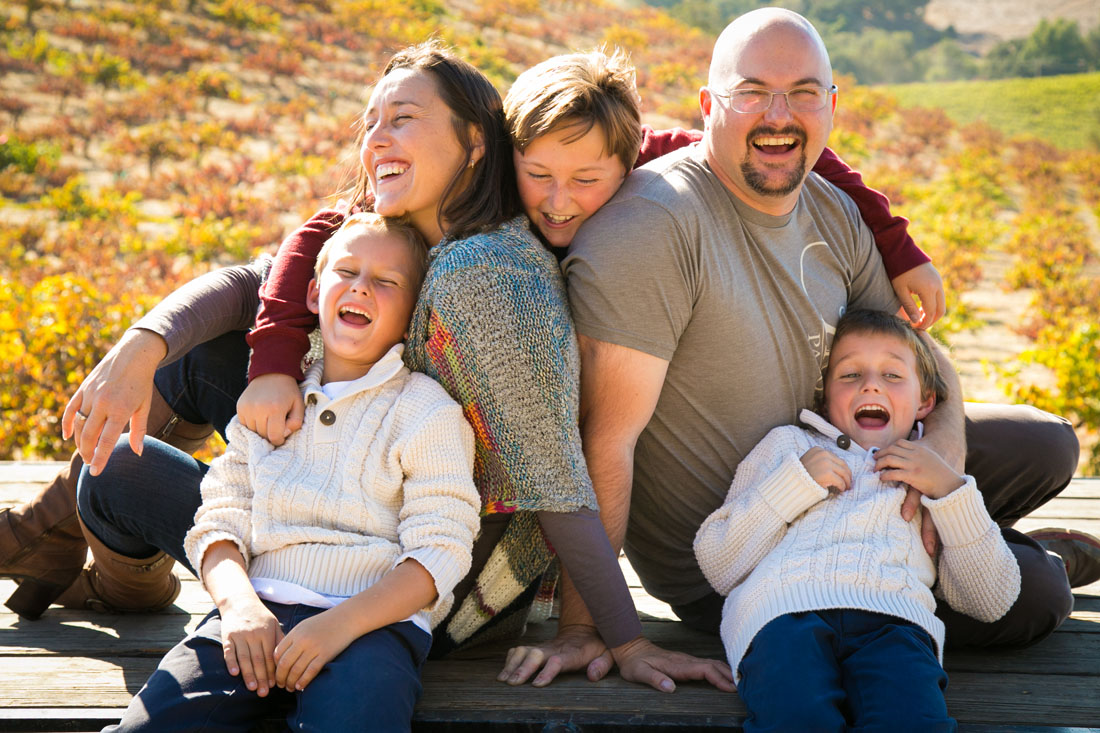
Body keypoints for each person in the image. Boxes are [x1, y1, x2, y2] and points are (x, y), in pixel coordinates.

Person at [30, 41, 736, 693]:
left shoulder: (485, 281)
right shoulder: (409, 236)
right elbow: (260, 280)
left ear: (473, 144)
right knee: (195, 359)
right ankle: (71, 547)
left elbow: (556, 479)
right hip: (357, 499)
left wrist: (623, 638)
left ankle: (114, 574)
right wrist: (143, 341)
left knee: (112, 476)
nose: (376, 139)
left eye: (401, 118)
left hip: (420, 585)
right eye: (369, 123)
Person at [530, 6, 1079, 688]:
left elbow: (926, 365)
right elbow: (606, 442)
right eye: (753, 91)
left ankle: (969, 534)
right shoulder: (654, 226)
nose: (779, 114)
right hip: (750, 548)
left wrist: (936, 466)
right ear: (709, 104)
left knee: (1049, 444)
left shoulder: (831, 208)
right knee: (1037, 595)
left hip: (853, 468)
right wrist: (586, 627)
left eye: (804, 93)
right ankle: (1039, 556)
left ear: (832, 105)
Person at [108, 213, 481, 731]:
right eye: (346, 272)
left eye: (386, 281)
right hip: (255, 612)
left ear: (412, 311)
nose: (361, 288)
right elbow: (220, 518)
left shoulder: (426, 413)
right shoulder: (272, 400)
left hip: (371, 626)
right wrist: (238, 606)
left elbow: (440, 549)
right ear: (312, 295)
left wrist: (339, 626)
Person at [694, 309, 1021, 731]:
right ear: (825, 396)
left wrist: (951, 492)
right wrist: (795, 484)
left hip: (895, 626)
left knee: (910, 723)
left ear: (925, 401)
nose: (870, 384)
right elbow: (718, 561)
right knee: (798, 719)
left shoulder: (934, 475)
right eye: (850, 375)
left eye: (892, 375)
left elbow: (991, 599)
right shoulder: (789, 447)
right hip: (784, 617)